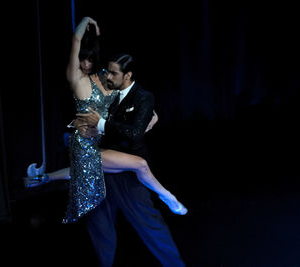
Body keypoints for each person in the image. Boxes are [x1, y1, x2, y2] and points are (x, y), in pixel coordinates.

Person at [24, 17, 187, 224]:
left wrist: (147, 120)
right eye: (82, 59)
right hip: (85, 144)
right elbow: (76, 40)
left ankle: (40, 178)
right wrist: (87, 21)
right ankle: (169, 197)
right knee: (140, 165)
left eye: (90, 59)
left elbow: (125, 101)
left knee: (94, 169)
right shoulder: (76, 78)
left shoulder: (103, 78)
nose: (85, 64)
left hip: (99, 142)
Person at [74, 51, 186, 265]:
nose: (108, 77)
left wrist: (102, 125)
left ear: (128, 75)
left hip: (128, 172)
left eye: (114, 73)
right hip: (105, 168)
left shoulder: (143, 97)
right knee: (99, 224)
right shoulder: (109, 94)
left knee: (149, 224)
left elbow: (133, 134)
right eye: (108, 72)